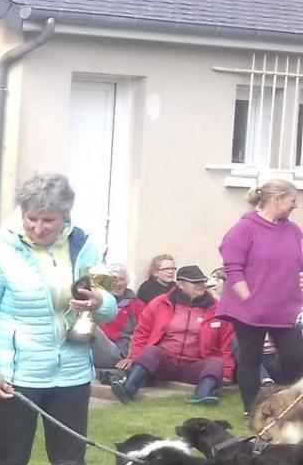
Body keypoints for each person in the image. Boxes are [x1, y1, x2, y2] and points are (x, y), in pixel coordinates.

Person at [0, 172, 118, 465]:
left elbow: (108, 308)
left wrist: (100, 302)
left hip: (72, 373)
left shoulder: (83, 245)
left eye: (48, 220)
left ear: (65, 216)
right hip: (17, 377)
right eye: (31, 219)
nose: (38, 228)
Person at [216, 178, 303, 416]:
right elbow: (233, 267)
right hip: (248, 309)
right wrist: (248, 298)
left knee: (297, 357)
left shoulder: (293, 231)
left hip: (284, 309)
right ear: (276, 200)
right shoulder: (245, 228)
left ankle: (294, 409)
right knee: (251, 359)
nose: (295, 206)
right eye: (292, 200)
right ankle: (251, 412)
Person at [113, 265, 234, 406]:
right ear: (181, 284)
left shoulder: (217, 309)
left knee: (216, 362)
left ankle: (201, 397)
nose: (201, 285)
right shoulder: (159, 303)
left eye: (202, 281)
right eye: (195, 282)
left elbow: (227, 343)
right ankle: (128, 389)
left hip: (195, 365)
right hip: (164, 363)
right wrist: (135, 359)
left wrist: (227, 372)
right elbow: (142, 334)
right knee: (152, 351)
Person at [91, 263, 143, 372]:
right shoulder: (95, 302)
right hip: (94, 350)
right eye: (113, 280)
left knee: (90, 326)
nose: (117, 284)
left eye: (121, 279)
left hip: (118, 353)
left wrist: (131, 358)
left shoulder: (136, 305)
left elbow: (142, 333)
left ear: (127, 282)